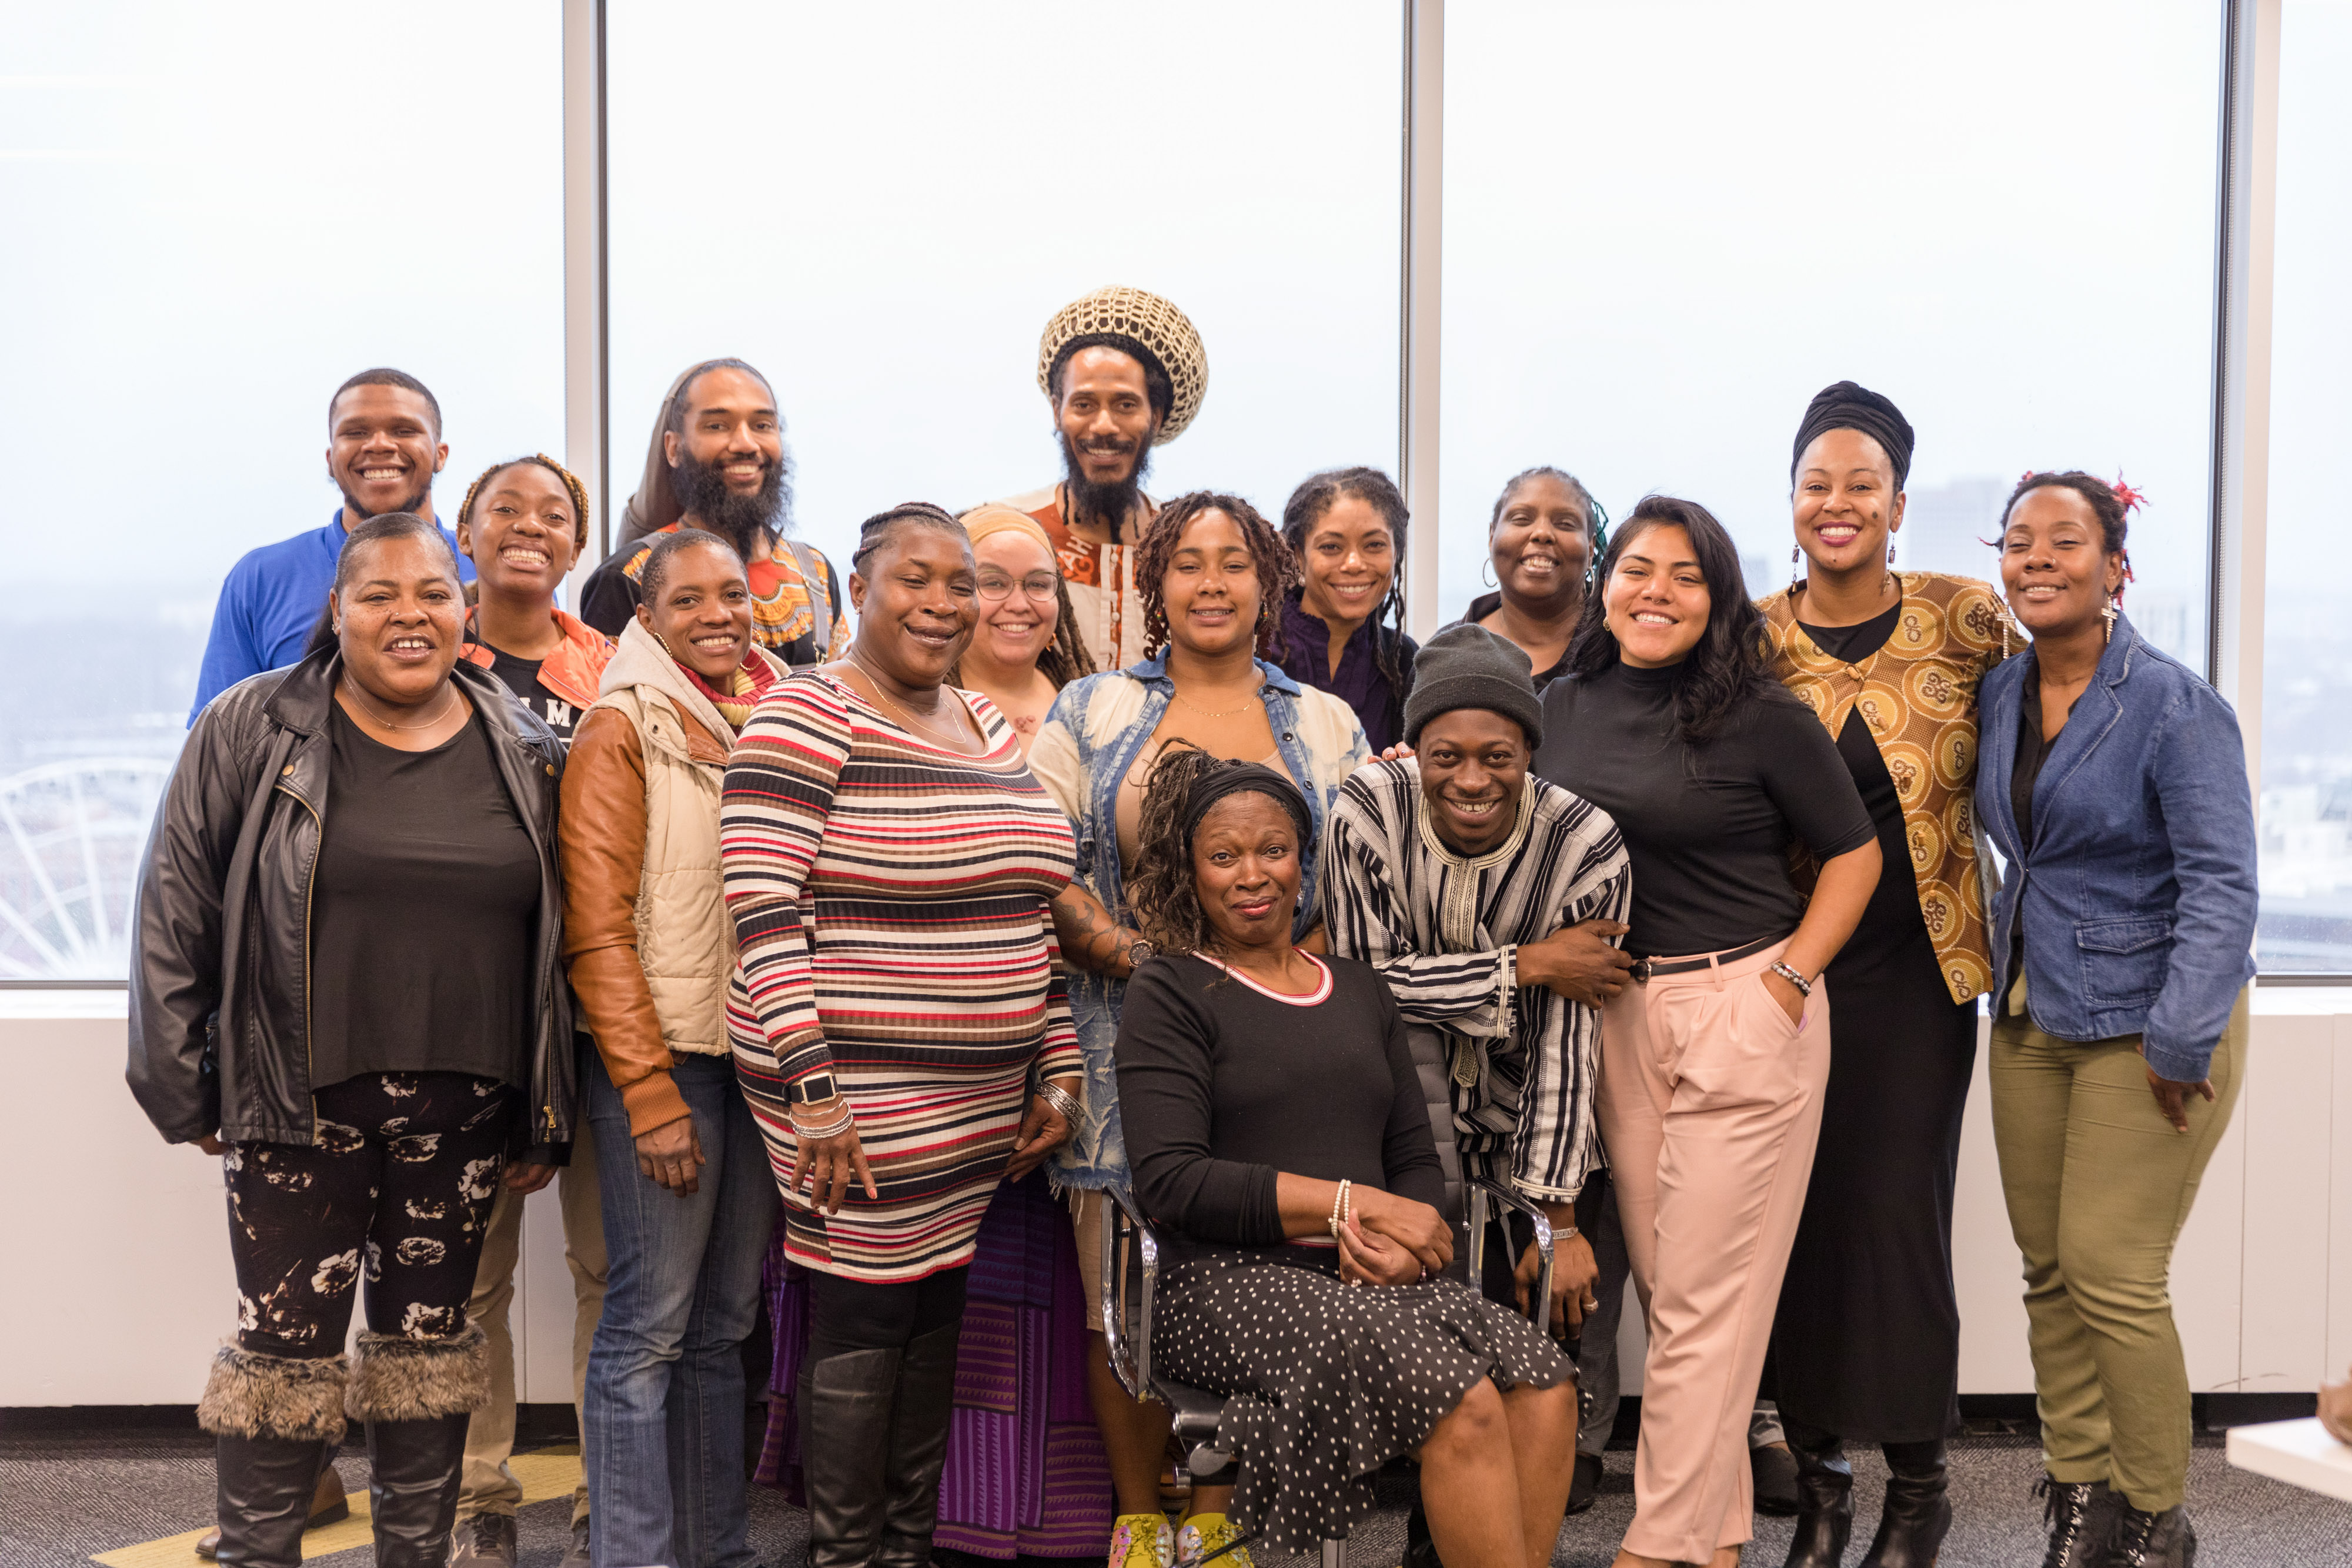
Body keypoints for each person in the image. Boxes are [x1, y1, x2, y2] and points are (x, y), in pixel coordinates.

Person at [131, 513, 571, 1568]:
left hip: (469, 1113)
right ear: (339, 611)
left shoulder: (525, 741)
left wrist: (546, 1110)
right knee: (284, 1361)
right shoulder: (253, 726)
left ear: (467, 611)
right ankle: (257, 1554)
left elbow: (562, 937)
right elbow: (174, 905)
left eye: (432, 593)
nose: (407, 614)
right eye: (380, 594)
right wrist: (183, 1086)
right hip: (298, 1104)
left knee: (430, 1358)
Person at [723, 503, 1084, 1568]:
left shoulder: (988, 719)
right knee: (865, 1316)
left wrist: (1058, 1067)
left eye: (960, 584)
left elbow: (1035, 902)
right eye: (915, 580)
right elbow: (760, 910)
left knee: (935, 1306)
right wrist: (814, 1095)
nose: (944, 602)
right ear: (859, 595)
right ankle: (849, 1554)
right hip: (848, 1092)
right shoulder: (807, 715)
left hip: (977, 1105)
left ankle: (906, 1545)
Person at [1115, 745, 1581, 1564]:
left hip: (1375, 1275)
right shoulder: (1171, 990)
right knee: (1462, 1400)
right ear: (1191, 873)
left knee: (1546, 1385)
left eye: (1274, 849)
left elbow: (1414, 1162)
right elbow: (1173, 1180)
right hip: (1224, 1282)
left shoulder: (1360, 987)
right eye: (1223, 856)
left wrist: (1407, 1242)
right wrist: (1350, 1206)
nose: (1252, 874)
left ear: (1305, 859)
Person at [1531, 497, 1882, 1568]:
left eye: (1685, 575)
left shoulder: (1762, 713)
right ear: (1607, 582)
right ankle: (1716, 1540)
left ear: (1718, 597)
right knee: (1681, 1292)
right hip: (1617, 1014)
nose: (1657, 591)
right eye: (1638, 569)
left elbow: (1854, 853)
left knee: (1703, 1302)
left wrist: (1785, 981)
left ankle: (1659, 1543)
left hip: (1741, 1002)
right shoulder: (1559, 704)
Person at [1027, 492, 1368, 1568]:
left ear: (1269, 582)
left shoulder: (1324, 721)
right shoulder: (1088, 709)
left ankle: (1218, 1515)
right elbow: (1048, 871)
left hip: (1277, 1043)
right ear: (1155, 583)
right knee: (1119, 1291)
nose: (1211, 583)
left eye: (1233, 563)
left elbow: (1352, 882)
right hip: (1124, 1035)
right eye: (1189, 564)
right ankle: (1138, 1518)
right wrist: (1156, 970)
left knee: (1254, 1281)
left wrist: (1244, 983)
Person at [1752, 383, 2017, 1568]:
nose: (1837, 502)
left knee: (1898, 1221)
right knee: (1791, 1224)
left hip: (1917, 974)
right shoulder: (1750, 638)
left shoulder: (1965, 623)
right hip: (1787, 970)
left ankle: (1917, 1488)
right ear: (1792, 502)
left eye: (1861, 484)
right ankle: (1820, 1486)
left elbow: (2054, 729)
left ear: (1897, 504)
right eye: (1817, 483)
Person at [1977, 472, 2256, 1568]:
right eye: (2019, 542)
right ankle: (2081, 1492)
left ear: (2115, 567)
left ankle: (2157, 1513)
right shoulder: (2003, 691)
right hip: (2032, 1014)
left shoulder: (2175, 702)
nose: (2037, 559)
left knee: (2112, 1272)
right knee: (2048, 1270)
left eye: (2065, 542)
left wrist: (2183, 1038)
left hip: (2155, 1026)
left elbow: (2224, 885)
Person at [563, 527, 788, 1568]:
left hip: (762, 1066)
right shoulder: (622, 722)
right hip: (672, 1066)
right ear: (646, 616)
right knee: (645, 1330)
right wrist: (646, 1087)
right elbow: (597, 926)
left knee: (725, 1326)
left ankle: (718, 1550)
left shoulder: (785, 709)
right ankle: (636, 1556)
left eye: (732, 595)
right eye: (688, 600)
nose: (718, 615)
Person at [1322, 623, 1631, 1316]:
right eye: (1444, 756)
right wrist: (1529, 964)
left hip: (1536, 1130)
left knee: (1555, 1346)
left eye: (1497, 756)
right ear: (1417, 752)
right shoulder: (1370, 807)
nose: (1470, 780)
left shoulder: (1584, 844)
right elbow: (1362, 991)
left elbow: (1567, 1038)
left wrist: (1557, 1220)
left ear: (1530, 750)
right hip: (1390, 1131)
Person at [445, 454, 615, 1567]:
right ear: (465, 525)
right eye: (505, 507)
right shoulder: (420, 648)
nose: (529, 526)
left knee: (611, 1264)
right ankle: (474, 1495)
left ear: (576, 545)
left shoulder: (607, 664)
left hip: (595, 998)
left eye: (554, 514)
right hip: (468, 1002)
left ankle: (614, 1485)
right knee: (469, 1267)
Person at [189, 368, 473, 720]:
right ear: (330, 458)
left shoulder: (490, 572)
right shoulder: (261, 578)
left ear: (440, 453)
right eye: (356, 432)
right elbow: (220, 745)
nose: (380, 444)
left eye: (404, 430)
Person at [579, 358, 849, 667]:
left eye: (762, 425)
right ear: (673, 448)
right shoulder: (628, 577)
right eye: (717, 426)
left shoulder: (816, 571)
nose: (746, 444)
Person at [998, 286, 1210, 673]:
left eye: (1126, 405)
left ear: (1157, 416)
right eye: (1084, 404)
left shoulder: (1191, 542)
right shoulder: (1007, 530)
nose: (1104, 425)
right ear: (1057, 410)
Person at [1275, 466, 1419, 754]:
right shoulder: (1256, 650)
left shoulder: (1402, 660)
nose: (1354, 563)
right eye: (1331, 547)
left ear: (1397, 553)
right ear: (1297, 556)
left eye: (1374, 545)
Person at [949, 503, 1098, 747]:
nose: (1019, 605)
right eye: (993, 583)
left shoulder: (1093, 704)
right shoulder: (915, 706)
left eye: (1038, 584)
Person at [1453, 467, 1607, 689]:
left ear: (1591, 548)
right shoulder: (1446, 653)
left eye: (1565, 523)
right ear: (1491, 536)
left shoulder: (1621, 648)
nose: (1542, 533)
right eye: (1522, 519)